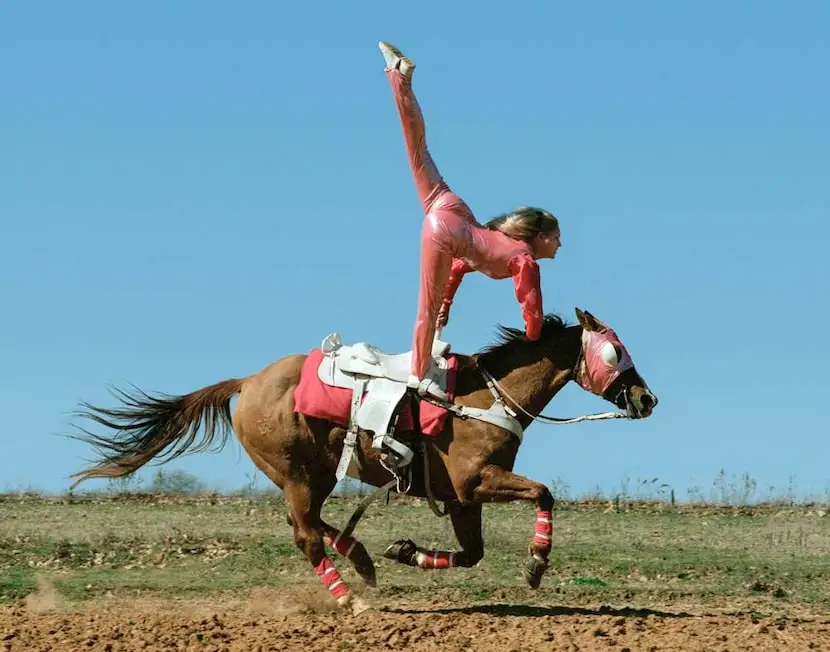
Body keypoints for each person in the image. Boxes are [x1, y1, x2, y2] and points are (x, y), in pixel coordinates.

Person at [379, 41, 562, 402]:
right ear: (539, 236)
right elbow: (532, 308)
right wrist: (534, 337)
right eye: (556, 237)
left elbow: (460, 268)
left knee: (418, 150)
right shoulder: (523, 259)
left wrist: (447, 305)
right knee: (425, 311)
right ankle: (418, 378)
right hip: (449, 229)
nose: (559, 245)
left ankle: (398, 78)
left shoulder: (503, 245)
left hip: (456, 213)